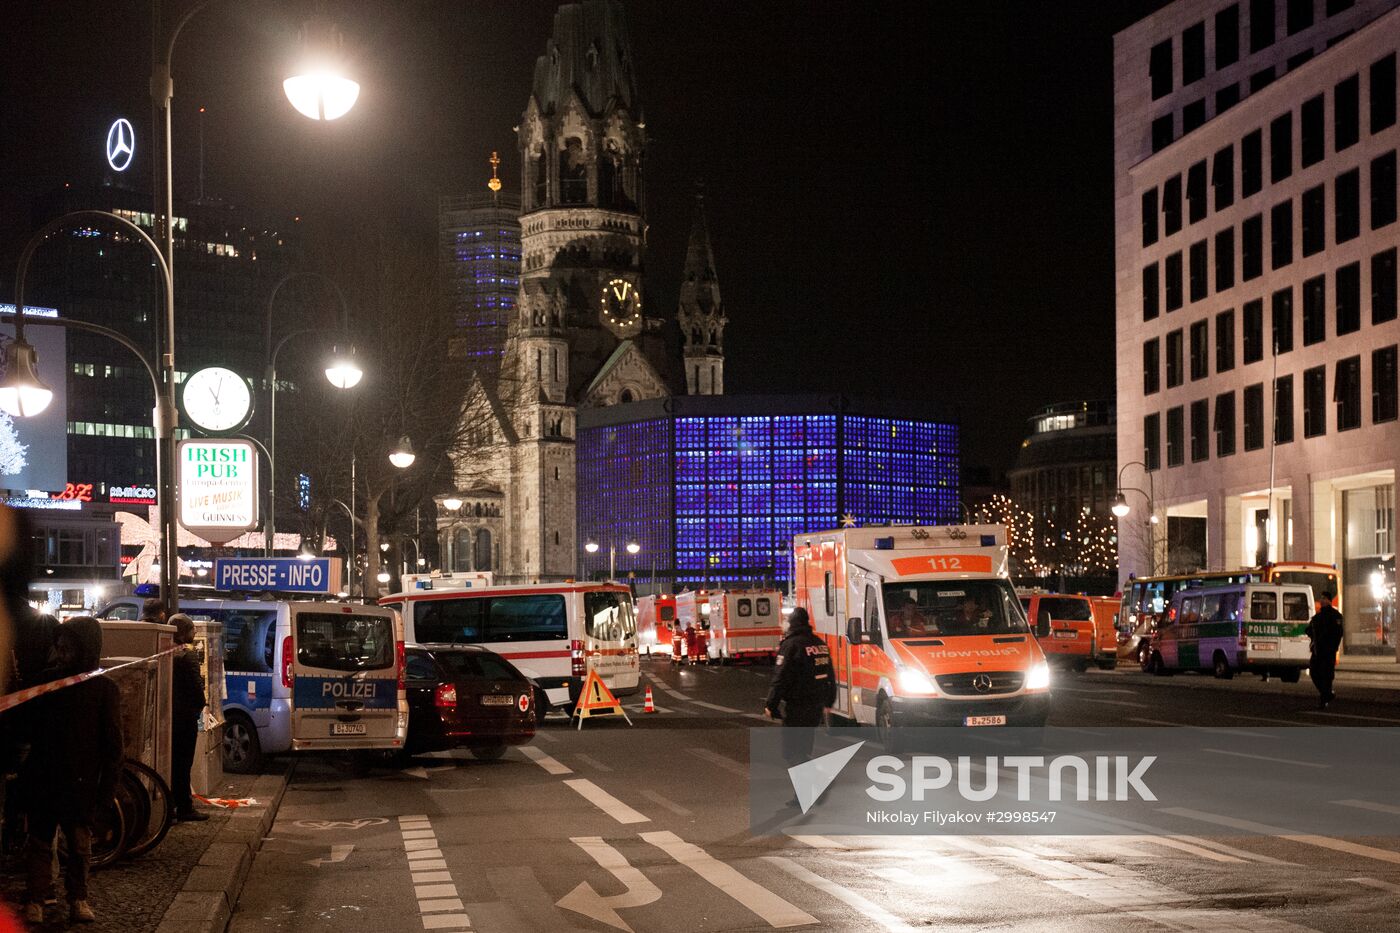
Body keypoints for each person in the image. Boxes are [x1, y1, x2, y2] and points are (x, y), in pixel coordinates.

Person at [22, 617, 123, 925]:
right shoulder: (46, 682)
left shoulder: (104, 689)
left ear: (85, 646)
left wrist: (106, 794)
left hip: (80, 783)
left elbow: (113, 745)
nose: (61, 648)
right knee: (40, 845)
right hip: (44, 778)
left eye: (69, 643)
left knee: (80, 847)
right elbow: (28, 727)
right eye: (59, 642)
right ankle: (36, 899)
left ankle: (78, 899)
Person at [764, 608, 837, 766]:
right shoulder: (820, 644)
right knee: (803, 750)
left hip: (797, 706)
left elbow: (780, 677)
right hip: (816, 707)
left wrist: (771, 704)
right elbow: (829, 675)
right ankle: (804, 789)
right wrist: (829, 701)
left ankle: (816, 780)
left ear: (792, 624)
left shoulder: (791, 645)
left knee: (792, 753)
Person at [169, 614, 209, 822]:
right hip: (185, 717)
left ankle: (171, 805)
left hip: (168, 716)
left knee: (172, 763)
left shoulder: (164, 651)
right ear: (185, 632)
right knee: (184, 764)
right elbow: (196, 686)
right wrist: (201, 704)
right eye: (193, 629)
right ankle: (185, 807)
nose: (195, 633)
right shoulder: (187, 655)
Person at [1305, 591, 1345, 709]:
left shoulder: (1335, 616)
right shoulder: (1318, 616)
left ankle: (1324, 698)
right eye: (1321, 598)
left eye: (1323, 598)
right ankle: (1327, 694)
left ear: (1328, 600)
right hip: (1317, 650)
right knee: (1314, 672)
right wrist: (1312, 634)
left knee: (1327, 675)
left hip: (1328, 651)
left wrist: (1333, 647)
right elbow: (1308, 630)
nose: (1321, 600)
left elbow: (1338, 633)